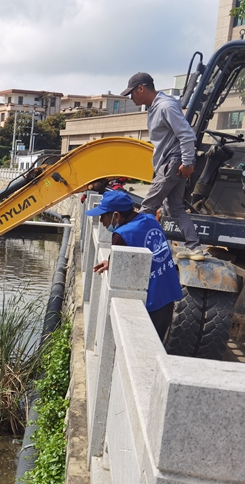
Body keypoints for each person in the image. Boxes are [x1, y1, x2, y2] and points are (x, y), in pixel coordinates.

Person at [121, 72, 205, 261]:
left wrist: (188, 162)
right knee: (175, 208)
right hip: (171, 162)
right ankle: (195, 249)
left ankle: (131, 250)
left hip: (172, 162)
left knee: (148, 206)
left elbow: (187, 135)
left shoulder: (165, 106)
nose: (131, 98)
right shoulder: (155, 107)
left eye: (132, 93)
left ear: (141, 88)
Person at [89, 190, 182, 340]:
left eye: (102, 216)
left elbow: (122, 275)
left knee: (142, 345)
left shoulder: (121, 235)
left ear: (116, 215)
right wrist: (112, 261)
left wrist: (114, 262)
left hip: (150, 302)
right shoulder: (150, 220)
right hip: (167, 294)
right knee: (156, 344)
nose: (101, 222)